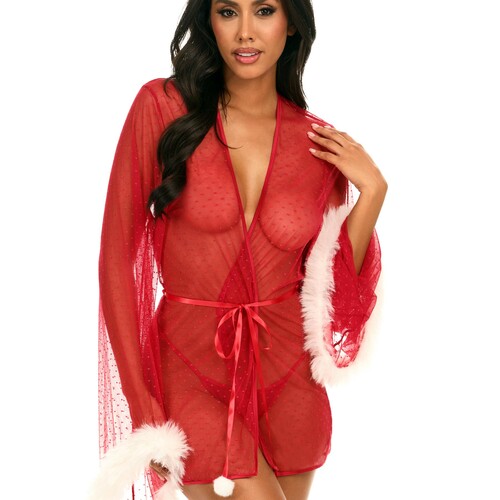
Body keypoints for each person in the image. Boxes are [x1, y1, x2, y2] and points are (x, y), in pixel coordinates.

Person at [89, 0, 387, 499]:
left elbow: (333, 293)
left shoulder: (318, 143)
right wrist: (141, 403)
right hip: (188, 368)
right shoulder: (162, 107)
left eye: (264, 11)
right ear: (209, 21)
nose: (245, 32)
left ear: (292, 23)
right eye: (228, 11)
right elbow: (117, 260)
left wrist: (373, 191)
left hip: (289, 380)